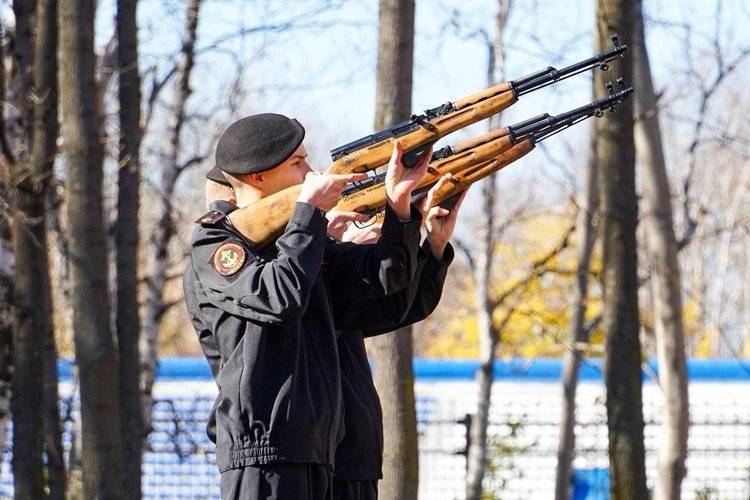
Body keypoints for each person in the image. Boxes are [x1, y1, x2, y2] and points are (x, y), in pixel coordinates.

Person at [183, 113, 430, 500]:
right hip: (265, 452)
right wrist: (308, 215)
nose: (311, 171)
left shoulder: (300, 238)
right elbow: (279, 297)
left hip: (321, 449)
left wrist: (400, 211)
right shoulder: (216, 242)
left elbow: (382, 283)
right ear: (258, 177)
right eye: (297, 163)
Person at [330, 179, 466, 500]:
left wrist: (433, 245)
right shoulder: (309, 274)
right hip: (324, 463)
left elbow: (402, 307)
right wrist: (341, 248)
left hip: (356, 460)